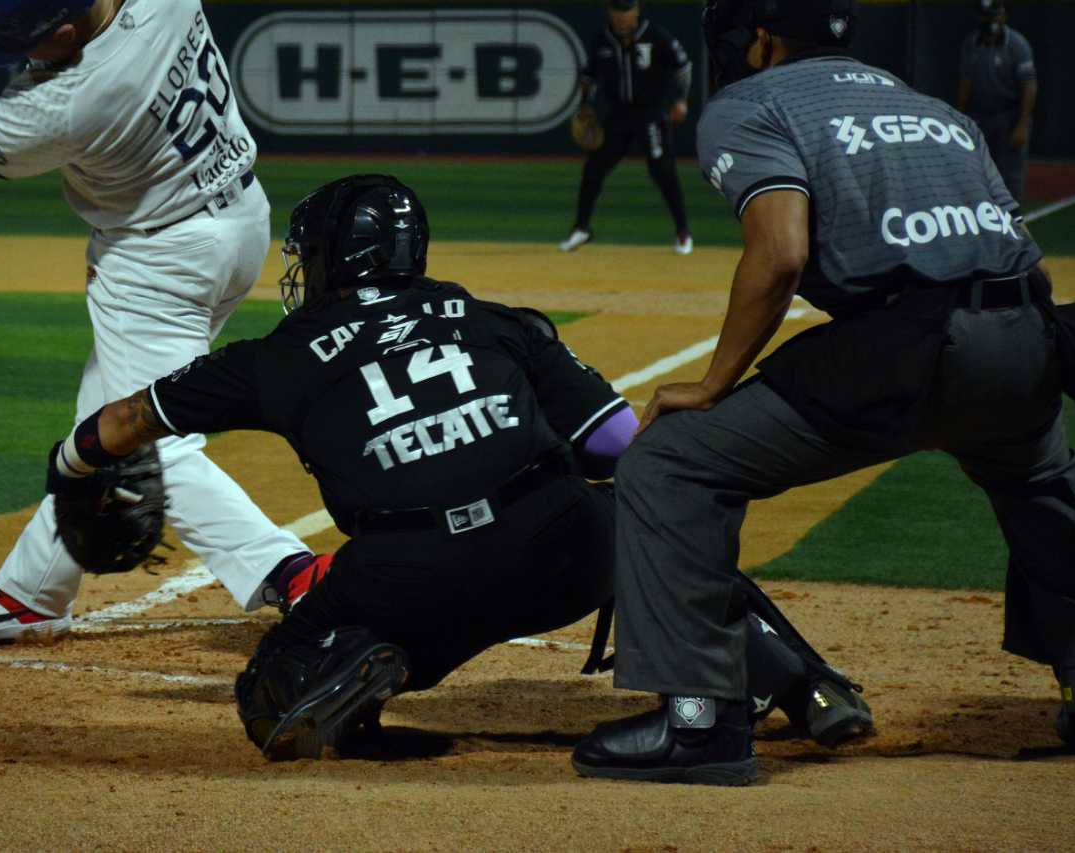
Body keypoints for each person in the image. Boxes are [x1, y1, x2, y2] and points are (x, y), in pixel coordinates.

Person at [50, 174, 871, 762]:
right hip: (559, 547)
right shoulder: (495, 320)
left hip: (408, 575)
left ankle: (368, 663)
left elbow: (126, 419)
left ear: (333, 255)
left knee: (270, 689)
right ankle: (808, 687)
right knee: (651, 526)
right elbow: (624, 446)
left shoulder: (277, 357)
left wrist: (71, 462)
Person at [575, 0, 1075, 786]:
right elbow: (1037, 267)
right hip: (1034, 331)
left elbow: (780, 254)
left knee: (668, 460)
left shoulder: (753, 102)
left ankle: (700, 720)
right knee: (1038, 466)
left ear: (764, 39)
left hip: (907, 345)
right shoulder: (930, 110)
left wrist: (711, 383)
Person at [0, 0, 317, 643]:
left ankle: (297, 575)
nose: (22, 60)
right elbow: (6, 24)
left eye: (33, 46)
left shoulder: (71, 103)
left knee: (145, 440)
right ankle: (29, 591)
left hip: (160, 261)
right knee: (98, 429)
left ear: (64, 32)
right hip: (238, 221)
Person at [560, 0, 693, 254]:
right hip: (617, 114)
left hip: (651, 113)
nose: (622, 16)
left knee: (662, 171)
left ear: (636, 11)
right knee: (593, 170)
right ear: (610, 12)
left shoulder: (655, 36)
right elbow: (590, 77)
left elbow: (683, 65)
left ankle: (682, 232)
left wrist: (680, 99)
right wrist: (586, 104)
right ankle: (581, 229)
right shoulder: (603, 39)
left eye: (627, 11)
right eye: (618, 11)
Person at [956, 0, 1038, 203]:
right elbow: (966, 82)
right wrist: (960, 117)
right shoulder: (972, 43)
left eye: (994, 16)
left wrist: (1021, 125)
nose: (991, 21)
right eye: (986, 17)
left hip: (1009, 115)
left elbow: (1029, 86)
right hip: (980, 114)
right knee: (979, 169)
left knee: (1011, 174)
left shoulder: (1017, 44)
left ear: (1003, 16)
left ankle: (1015, 223)